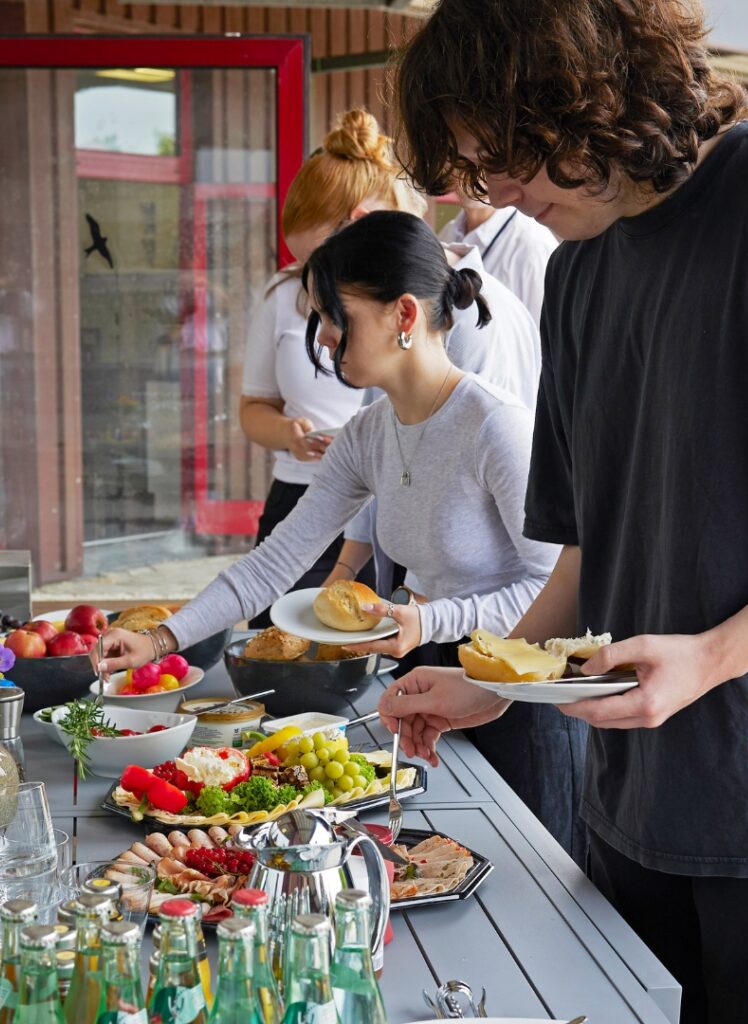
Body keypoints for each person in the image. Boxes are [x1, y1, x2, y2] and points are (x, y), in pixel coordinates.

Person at [376, 1, 748, 1021]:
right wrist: (490, 682)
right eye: (474, 165)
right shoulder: (583, 269)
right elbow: (589, 549)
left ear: (590, 89)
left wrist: (710, 658)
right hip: (626, 806)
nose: (495, 190)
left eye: (506, 152)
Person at [100, 210, 560, 733]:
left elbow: (557, 586)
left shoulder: (496, 427)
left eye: (336, 316)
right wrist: (161, 639)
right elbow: (273, 563)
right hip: (431, 671)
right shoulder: (367, 433)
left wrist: (434, 621)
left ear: (404, 316)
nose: (322, 338)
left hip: (524, 690)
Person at [240, 109, 419, 626]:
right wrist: (287, 434)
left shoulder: (443, 307)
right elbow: (254, 407)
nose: (324, 337)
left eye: (318, 264)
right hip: (310, 497)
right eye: (302, 269)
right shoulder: (282, 296)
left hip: (391, 509)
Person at [438, 186, 558, 327]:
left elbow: (545, 336)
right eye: (463, 164)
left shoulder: (533, 246)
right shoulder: (448, 234)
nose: (476, 176)